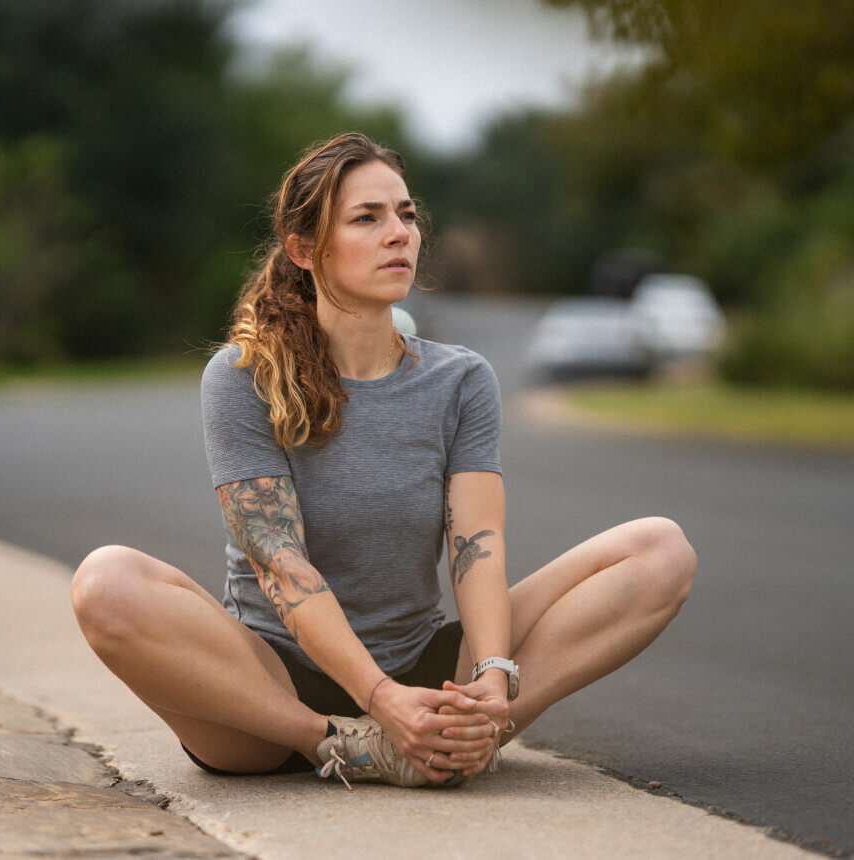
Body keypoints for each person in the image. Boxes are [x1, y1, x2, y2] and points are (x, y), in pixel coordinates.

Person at [70, 132, 697, 789]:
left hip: (422, 669)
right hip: (272, 695)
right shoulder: (243, 376)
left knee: (660, 551)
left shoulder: (462, 380)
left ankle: (468, 734)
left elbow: (476, 545)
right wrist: (375, 701)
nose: (398, 233)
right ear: (305, 249)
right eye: (367, 218)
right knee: (106, 582)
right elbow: (282, 569)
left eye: (406, 214)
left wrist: (489, 675)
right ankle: (346, 747)